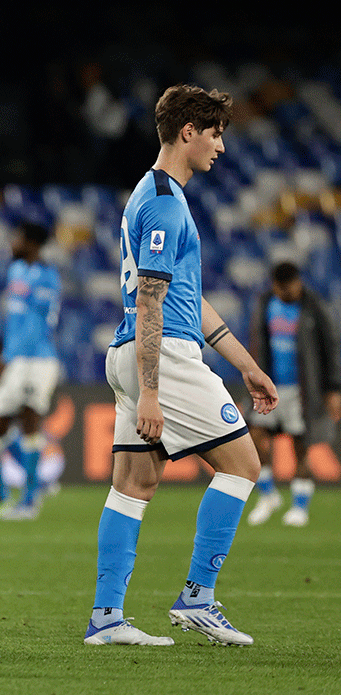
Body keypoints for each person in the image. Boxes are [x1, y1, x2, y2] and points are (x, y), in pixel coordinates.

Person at [85, 84, 278, 647]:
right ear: (188, 133)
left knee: (133, 485)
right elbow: (150, 299)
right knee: (243, 466)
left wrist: (245, 365)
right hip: (161, 356)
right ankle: (198, 597)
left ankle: (107, 618)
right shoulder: (167, 204)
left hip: (129, 353)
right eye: (215, 134)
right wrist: (151, 391)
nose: (221, 146)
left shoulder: (150, 192)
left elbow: (186, 299)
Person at [245, 261, 341, 527]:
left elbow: (331, 348)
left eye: (288, 287)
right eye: (279, 287)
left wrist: (333, 388)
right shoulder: (265, 303)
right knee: (255, 438)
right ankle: (268, 495)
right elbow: (257, 342)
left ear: (297, 283)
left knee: (301, 447)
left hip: (302, 391)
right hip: (269, 387)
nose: (284, 291)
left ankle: (300, 507)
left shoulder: (314, 307)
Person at [0, 221, 62, 520]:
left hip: (37, 360)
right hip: (16, 361)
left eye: (17, 237)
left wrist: (7, 362)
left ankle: (29, 501)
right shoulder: (16, 272)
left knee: (29, 420)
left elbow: (37, 326)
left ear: (30, 242)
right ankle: (32, 485)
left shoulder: (47, 277)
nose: (12, 242)